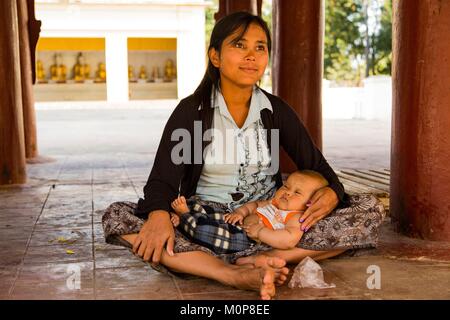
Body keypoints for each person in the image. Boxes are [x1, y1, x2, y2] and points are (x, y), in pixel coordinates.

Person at [102, 11, 385, 300]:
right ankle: (233, 272)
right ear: (215, 57)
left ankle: (261, 257)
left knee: (369, 209)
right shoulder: (192, 112)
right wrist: (159, 214)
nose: (251, 55)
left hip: (272, 221)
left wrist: (332, 193)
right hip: (205, 222)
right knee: (118, 216)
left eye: (259, 47)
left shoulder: (275, 111)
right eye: (239, 45)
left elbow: (318, 168)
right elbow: (161, 180)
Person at [170, 170, 328, 256]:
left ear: (310, 203)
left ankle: (185, 217)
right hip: (238, 222)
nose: (287, 193)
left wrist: (261, 232)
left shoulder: (296, 217)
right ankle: (188, 212)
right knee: (210, 212)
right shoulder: (275, 202)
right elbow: (255, 205)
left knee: (212, 233)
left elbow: (287, 240)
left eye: (297, 193)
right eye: (286, 187)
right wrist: (240, 212)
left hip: (246, 239)